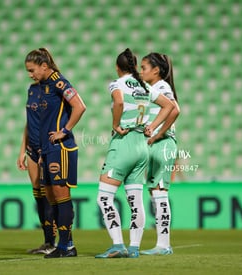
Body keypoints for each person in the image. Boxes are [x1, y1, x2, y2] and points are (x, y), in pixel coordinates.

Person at [95, 48, 176, 259]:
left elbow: (119, 102)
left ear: (117, 67)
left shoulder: (117, 83)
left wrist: (115, 124)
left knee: (104, 197)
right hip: (143, 145)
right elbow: (169, 106)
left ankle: (117, 245)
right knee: (135, 200)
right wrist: (152, 128)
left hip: (125, 141)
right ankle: (134, 248)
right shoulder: (144, 86)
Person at [24, 48, 86, 258]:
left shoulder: (59, 82)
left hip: (60, 148)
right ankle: (62, 245)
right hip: (47, 149)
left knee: (61, 195)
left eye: (32, 70)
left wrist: (64, 131)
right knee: (51, 196)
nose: (30, 74)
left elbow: (80, 106)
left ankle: (67, 246)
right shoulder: (42, 87)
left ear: (44, 65)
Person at [139, 53, 180, 255]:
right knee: (156, 192)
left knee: (160, 192)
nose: (141, 71)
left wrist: (158, 133)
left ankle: (164, 245)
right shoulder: (156, 88)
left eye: (144, 67)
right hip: (157, 144)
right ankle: (162, 244)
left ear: (156, 70)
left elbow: (175, 110)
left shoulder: (162, 87)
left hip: (163, 143)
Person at [17, 81, 56, 255]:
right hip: (31, 148)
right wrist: (22, 151)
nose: (31, 74)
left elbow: (52, 121)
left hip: (45, 148)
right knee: (38, 195)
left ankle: (54, 243)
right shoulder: (32, 89)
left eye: (33, 70)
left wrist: (46, 149)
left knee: (48, 194)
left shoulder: (53, 89)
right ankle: (47, 241)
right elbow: (29, 122)